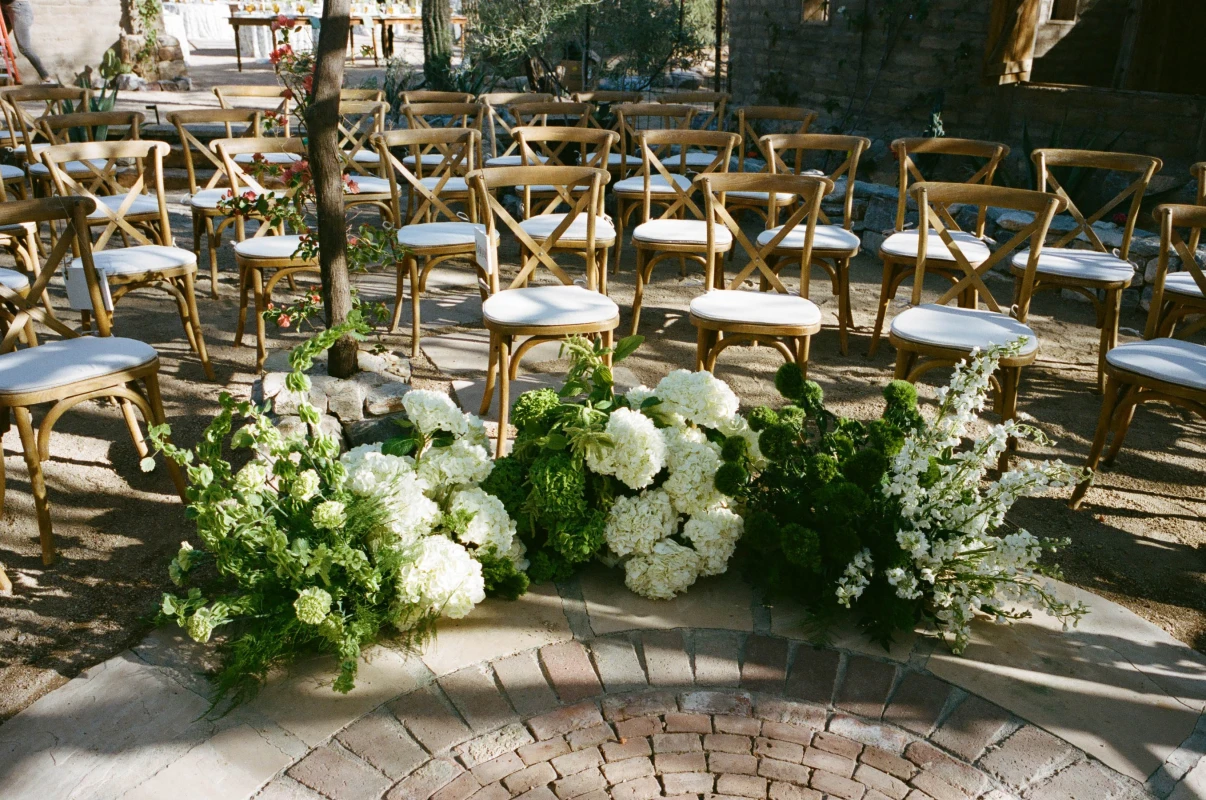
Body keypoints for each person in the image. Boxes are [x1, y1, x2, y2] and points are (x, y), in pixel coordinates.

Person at [1, 0, 50, 82]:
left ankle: (46, 78)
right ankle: (9, 53)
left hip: (19, 10)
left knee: (25, 49)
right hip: (6, 8)